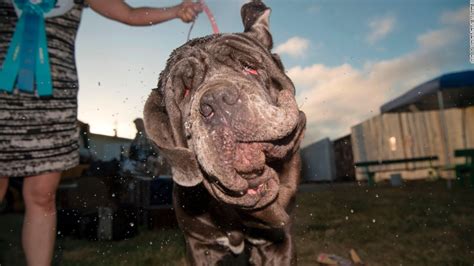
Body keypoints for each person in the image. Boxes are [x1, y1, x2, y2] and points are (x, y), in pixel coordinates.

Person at [0, 1, 202, 265]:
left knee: (42, 196)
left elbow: (129, 13)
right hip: (3, 97)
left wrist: (175, 11)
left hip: (53, 100)